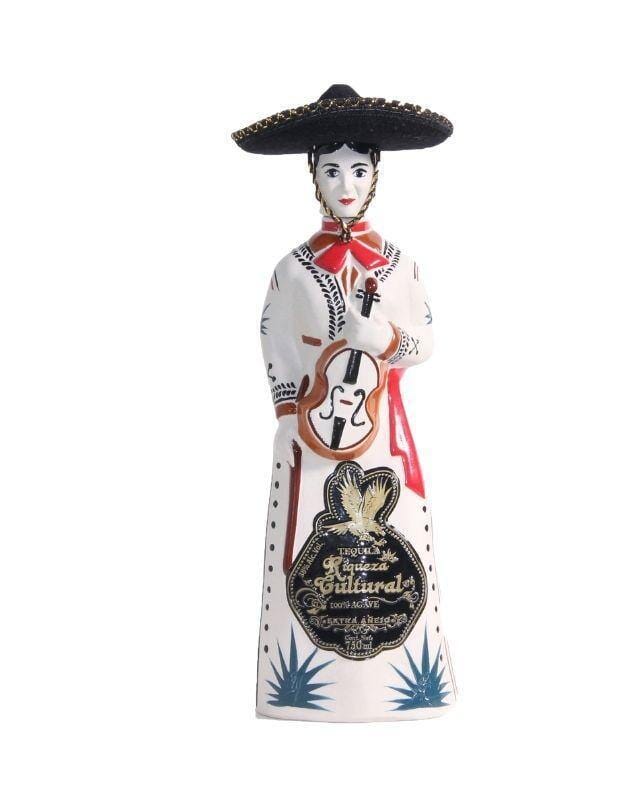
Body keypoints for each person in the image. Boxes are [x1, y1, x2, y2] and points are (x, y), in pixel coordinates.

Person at [233, 84, 457, 721]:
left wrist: (384, 339)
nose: (346, 184)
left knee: (394, 537)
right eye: (331, 170)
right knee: (308, 538)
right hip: (313, 432)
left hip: (381, 426)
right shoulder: (292, 268)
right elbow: (275, 341)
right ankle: (302, 689)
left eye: (358, 170)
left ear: (375, 173)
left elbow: (425, 341)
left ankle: (398, 684)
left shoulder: (400, 266)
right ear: (314, 175)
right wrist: (287, 412)